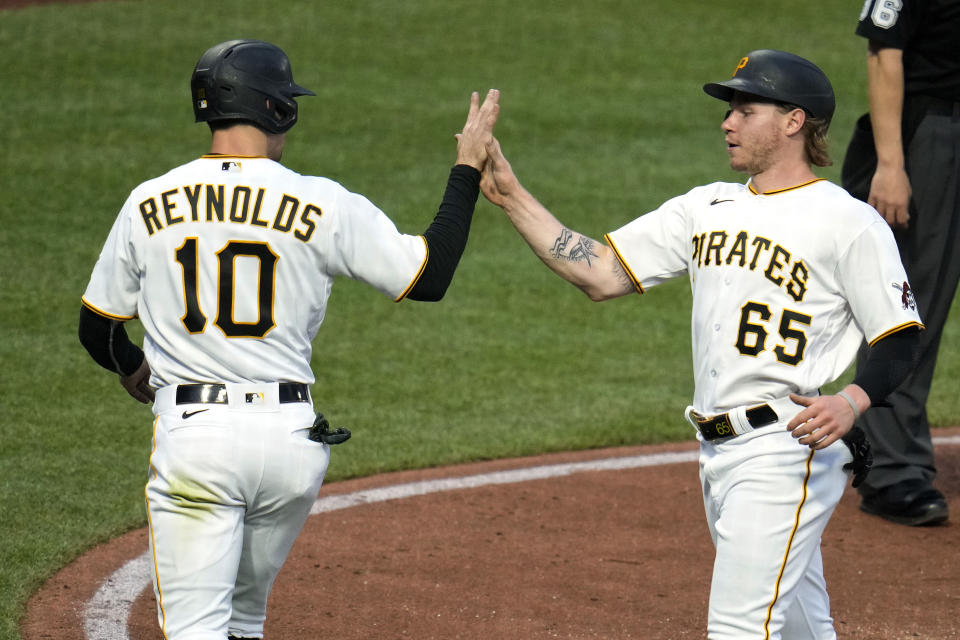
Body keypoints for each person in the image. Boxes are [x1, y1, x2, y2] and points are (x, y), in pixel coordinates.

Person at [480, 50, 923, 639]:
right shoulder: (705, 207)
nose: (728, 121)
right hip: (718, 452)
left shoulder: (847, 222)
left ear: (794, 121)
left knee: (738, 629)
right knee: (800, 629)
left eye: (746, 108)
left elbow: (899, 335)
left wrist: (853, 401)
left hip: (784, 450)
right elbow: (601, 272)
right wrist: (511, 195)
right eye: (729, 109)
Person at [77, 39, 499, 640]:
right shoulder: (321, 201)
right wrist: (466, 170)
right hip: (290, 447)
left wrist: (130, 364)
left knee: (197, 629)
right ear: (277, 109)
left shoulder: (149, 201)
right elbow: (427, 278)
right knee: (246, 623)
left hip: (198, 443)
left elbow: (97, 328)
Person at [841, 0, 959, 527]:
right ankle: (890, 470)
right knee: (909, 304)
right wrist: (891, 165)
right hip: (931, 135)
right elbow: (883, 50)